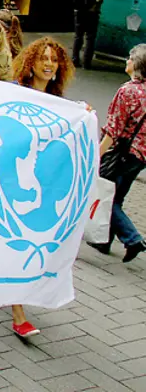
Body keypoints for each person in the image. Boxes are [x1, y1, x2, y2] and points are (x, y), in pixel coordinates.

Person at [7, 36, 75, 338]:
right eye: (43, 58)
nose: (49, 64)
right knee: (16, 242)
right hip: (16, 183)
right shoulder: (15, 97)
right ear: (30, 62)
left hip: (43, 187)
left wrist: (81, 116)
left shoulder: (61, 104)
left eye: (54, 59)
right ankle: (18, 312)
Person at [89, 44, 146, 262]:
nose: (126, 62)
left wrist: (97, 154)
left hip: (122, 153)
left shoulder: (128, 91)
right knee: (117, 196)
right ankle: (103, 241)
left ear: (137, 64)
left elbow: (113, 129)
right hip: (140, 156)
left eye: (130, 59)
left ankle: (132, 239)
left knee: (106, 196)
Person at [73, 0, 104, 70]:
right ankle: (86, 62)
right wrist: (94, 8)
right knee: (90, 38)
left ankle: (75, 59)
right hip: (91, 14)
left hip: (79, 13)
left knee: (78, 37)